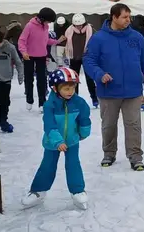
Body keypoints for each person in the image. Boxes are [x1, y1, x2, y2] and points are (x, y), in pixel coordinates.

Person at [83, 3, 144, 170]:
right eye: (124, 17)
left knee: (134, 126)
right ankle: (109, 153)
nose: (128, 20)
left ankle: (135, 156)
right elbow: (89, 61)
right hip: (108, 91)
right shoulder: (98, 38)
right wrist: (99, 74)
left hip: (133, 90)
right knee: (108, 125)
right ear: (114, 17)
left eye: (129, 17)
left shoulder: (136, 37)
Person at [22, 67, 92, 210]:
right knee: (47, 165)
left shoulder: (79, 102)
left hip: (72, 141)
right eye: (66, 88)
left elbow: (84, 118)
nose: (70, 91)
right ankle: (38, 191)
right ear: (55, 88)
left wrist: (84, 132)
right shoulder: (50, 105)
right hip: (52, 142)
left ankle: (78, 191)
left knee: (73, 165)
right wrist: (58, 141)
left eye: (73, 88)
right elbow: (49, 125)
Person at [18, 7, 62, 109]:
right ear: (42, 19)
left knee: (42, 80)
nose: (49, 23)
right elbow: (22, 40)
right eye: (48, 21)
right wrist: (23, 52)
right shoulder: (29, 26)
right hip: (29, 56)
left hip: (42, 56)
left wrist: (57, 41)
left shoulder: (45, 26)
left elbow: (45, 40)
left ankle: (42, 102)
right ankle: (29, 99)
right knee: (29, 78)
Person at [63, 14, 98, 108]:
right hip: (74, 57)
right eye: (76, 25)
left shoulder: (90, 29)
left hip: (87, 57)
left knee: (90, 78)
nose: (78, 27)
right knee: (73, 80)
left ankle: (94, 98)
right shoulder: (69, 31)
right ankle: (74, 99)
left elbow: (97, 41)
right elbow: (65, 42)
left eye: (80, 25)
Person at [0, 27, 24, 132]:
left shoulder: (10, 47)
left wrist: (20, 75)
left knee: (5, 102)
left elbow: (18, 62)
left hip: (6, 79)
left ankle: (3, 122)